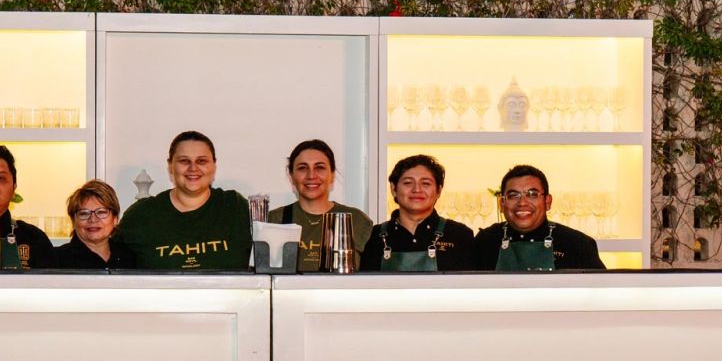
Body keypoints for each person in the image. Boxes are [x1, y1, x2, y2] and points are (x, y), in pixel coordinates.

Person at [114, 130, 251, 270]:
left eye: (201, 161)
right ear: (170, 166)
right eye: (184, 161)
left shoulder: (234, 207)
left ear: (214, 165)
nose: (193, 168)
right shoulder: (140, 215)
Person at [473, 164, 605, 271]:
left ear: (547, 202)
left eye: (532, 194)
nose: (522, 203)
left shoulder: (578, 245)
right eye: (513, 196)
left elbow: (600, 291)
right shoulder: (485, 242)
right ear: (501, 204)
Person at [269, 139, 373, 272]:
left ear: (332, 175)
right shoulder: (275, 220)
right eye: (302, 168)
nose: (311, 175)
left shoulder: (356, 220)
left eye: (320, 168)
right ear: (291, 176)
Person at [358, 154, 474, 271]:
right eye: (408, 183)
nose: (417, 189)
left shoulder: (460, 235)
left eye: (425, 183)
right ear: (393, 189)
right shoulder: (371, 237)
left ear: (438, 190)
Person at [54, 180, 136, 269]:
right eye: (84, 213)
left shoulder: (129, 258)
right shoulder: (56, 260)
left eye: (101, 212)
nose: (93, 220)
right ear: (73, 221)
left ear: (115, 219)